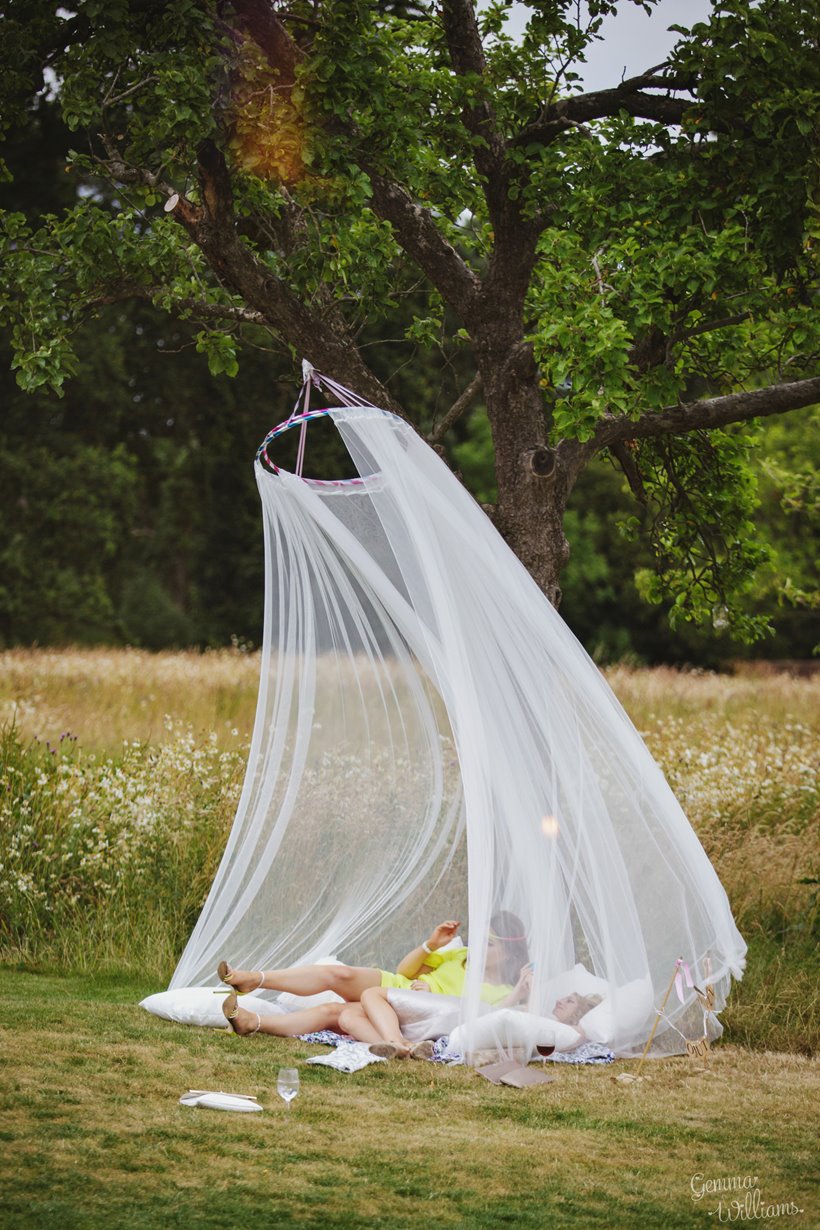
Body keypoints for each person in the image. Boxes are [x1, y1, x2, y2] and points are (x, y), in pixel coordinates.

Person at [218, 913, 531, 1054]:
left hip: (413, 1012)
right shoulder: (460, 956)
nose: (478, 947)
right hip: (396, 988)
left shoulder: (503, 991)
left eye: (489, 944)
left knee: (337, 1012)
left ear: (508, 953)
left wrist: (432, 991)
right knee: (336, 975)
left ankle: (253, 1023)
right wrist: (431, 945)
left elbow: (487, 1017)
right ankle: (254, 979)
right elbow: (404, 971)